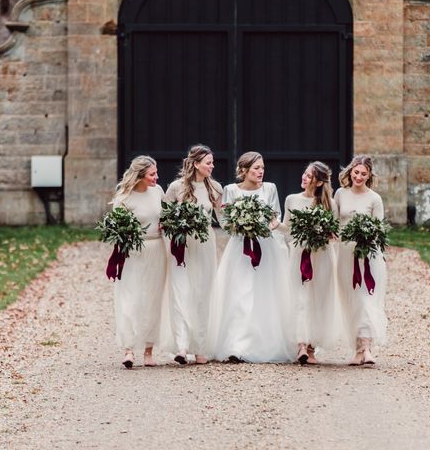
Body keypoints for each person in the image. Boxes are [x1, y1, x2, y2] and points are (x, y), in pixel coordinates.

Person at [208, 151, 295, 363]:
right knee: (239, 293)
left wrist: (264, 225)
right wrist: (242, 225)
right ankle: (236, 345)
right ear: (244, 170)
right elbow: (226, 222)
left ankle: (263, 343)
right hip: (239, 248)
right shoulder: (230, 190)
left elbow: (275, 216)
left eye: (262, 167)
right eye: (256, 168)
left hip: (266, 247)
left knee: (265, 293)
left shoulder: (270, 188)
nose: (261, 172)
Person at [164, 144, 222, 365]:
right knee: (181, 291)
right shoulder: (175, 187)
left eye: (212, 162)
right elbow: (165, 216)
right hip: (181, 245)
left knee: (201, 293)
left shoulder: (215, 188)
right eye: (208, 162)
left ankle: (199, 346)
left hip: (205, 244)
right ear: (196, 164)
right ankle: (181, 345)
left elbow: (223, 218)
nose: (212, 166)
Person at [281, 161, 340, 365]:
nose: (304, 178)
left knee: (318, 300)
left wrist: (323, 233)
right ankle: (301, 344)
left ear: (319, 182)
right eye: (304, 173)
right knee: (300, 298)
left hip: (322, 256)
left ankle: (313, 347)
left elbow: (335, 234)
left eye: (309, 176)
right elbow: (287, 228)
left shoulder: (329, 204)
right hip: (299, 255)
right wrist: (273, 225)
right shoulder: (291, 200)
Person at [111, 155, 166, 368]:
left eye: (156, 172)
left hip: (156, 250)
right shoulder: (123, 197)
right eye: (152, 174)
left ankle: (149, 351)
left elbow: (164, 216)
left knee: (153, 299)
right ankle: (128, 349)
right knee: (131, 298)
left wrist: (165, 224)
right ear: (140, 175)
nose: (156, 177)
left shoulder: (158, 192)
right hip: (133, 252)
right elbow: (116, 228)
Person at [334, 155, 388, 366]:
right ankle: (357, 349)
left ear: (369, 175)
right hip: (346, 254)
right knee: (352, 300)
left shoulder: (375, 199)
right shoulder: (340, 194)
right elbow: (335, 222)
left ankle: (367, 348)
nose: (358, 177)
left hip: (367, 254)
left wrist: (367, 239)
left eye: (363, 174)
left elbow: (379, 228)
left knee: (366, 299)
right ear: (350, 172)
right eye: (356, 172)